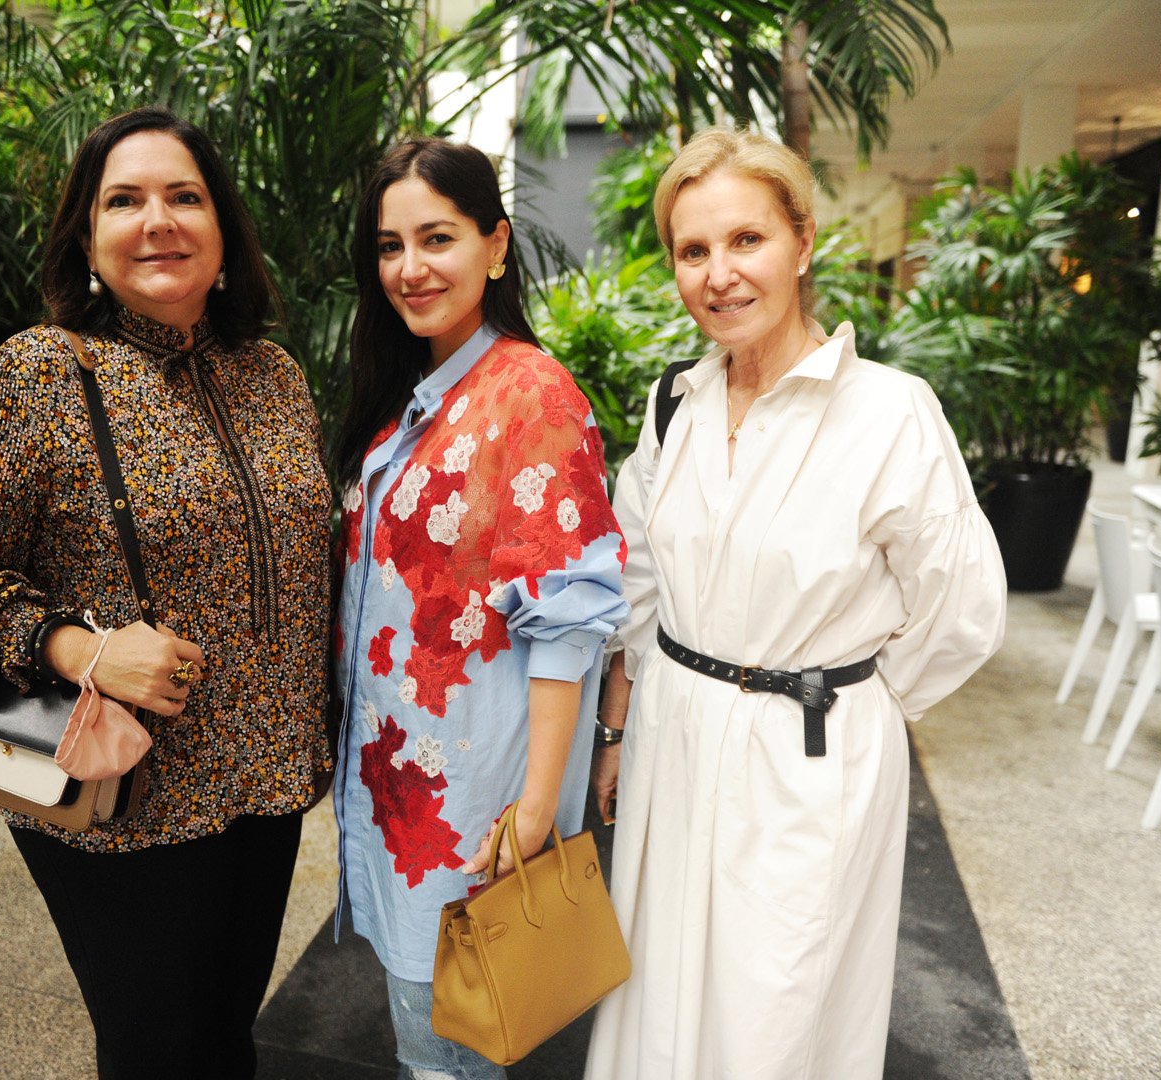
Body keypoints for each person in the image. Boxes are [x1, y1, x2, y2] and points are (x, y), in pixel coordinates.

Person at [0, 106, 333, 1079]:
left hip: (265, 786)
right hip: (121, 782)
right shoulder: (35, 378)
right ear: (88, 240)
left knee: (225, 1036)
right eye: (125, 200)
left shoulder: (273, 378)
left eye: (185, 196)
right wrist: (78, 647)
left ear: (223, 232)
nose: (158, 220)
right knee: (155, 1049)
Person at [583, 127, 1008, 1080]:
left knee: (777, 1006)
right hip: (674, 740)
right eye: (693, 251)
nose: (719, 274)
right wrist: (615, 735)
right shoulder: (675, 405)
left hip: (811, 749)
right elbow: (638, 588)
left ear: (802, 243)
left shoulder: (889, 412)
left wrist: (855, 697)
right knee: (658, 990)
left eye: (746, 241)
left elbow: (963, 606)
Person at [331, 137, 629, 1080]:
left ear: (496, 246)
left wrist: (539, 806)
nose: (410, 269)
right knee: (429, 1039)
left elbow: (567, 617)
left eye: (437, 238)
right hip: (402, 791)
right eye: (388, 246)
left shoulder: (528, 394)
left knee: (451, 1054)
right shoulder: (413, 395)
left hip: (476, 802)